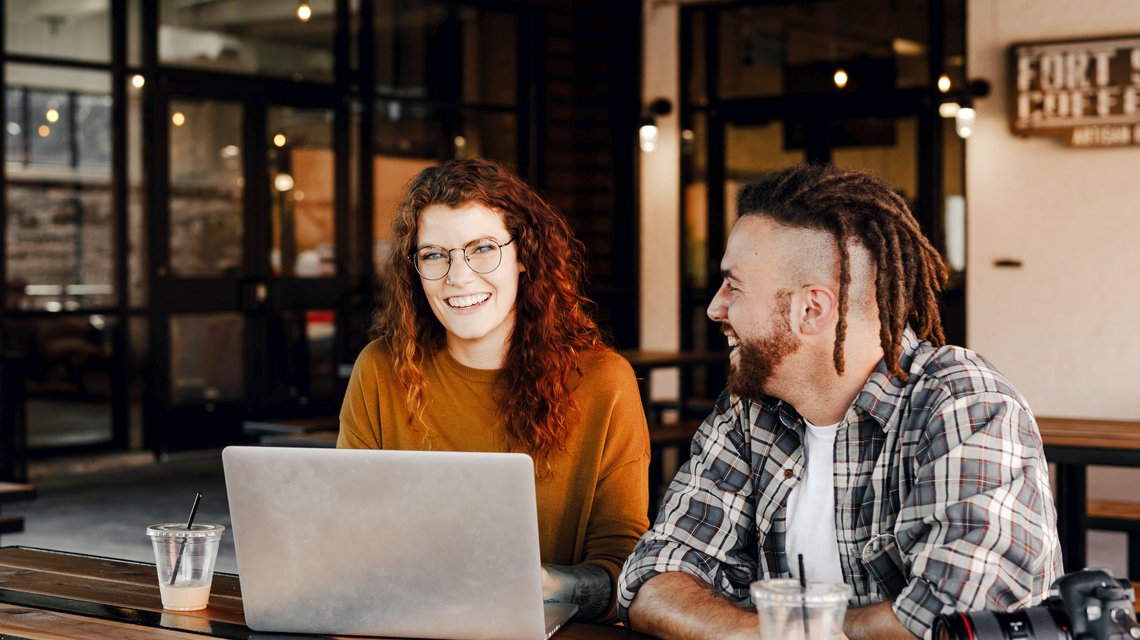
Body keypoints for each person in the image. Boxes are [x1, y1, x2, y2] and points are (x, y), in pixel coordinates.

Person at [616, 163, 1062, 639]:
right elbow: (653, 577)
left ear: (811, 309)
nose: (715, 307)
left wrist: (787, 626)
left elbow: (956, 618)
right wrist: (768, 634)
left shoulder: (963, 403)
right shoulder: (748, 412)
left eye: (735, 286)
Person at [338, 158, 650, 622]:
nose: (458, 276)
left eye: (482, 248)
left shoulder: (604, 381)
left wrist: (544, 585)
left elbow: (624, 572)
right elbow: (342, 533)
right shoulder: (380, 369)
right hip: (402, 624)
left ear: (524, 255)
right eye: (433, 254)